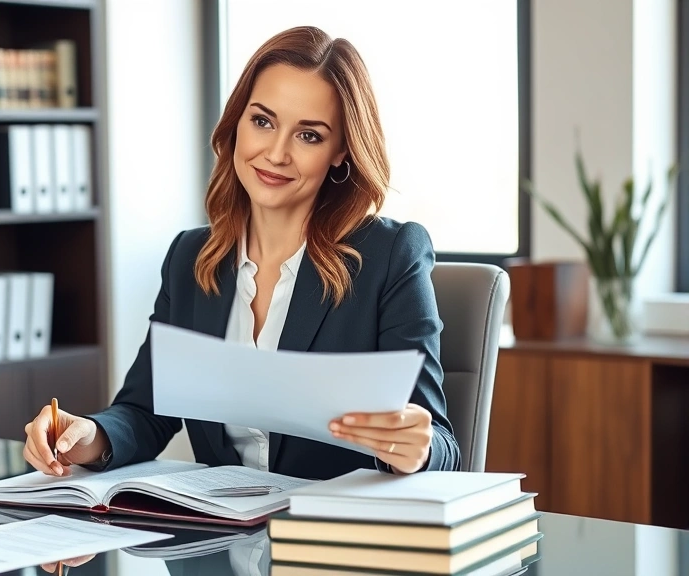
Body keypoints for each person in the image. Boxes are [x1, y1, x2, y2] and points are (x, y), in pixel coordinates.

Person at [23, 25, 461, 481]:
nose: (275, 153)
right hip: (220, 540)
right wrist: (85, 436)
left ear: (340, 150)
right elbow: (145, 411)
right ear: (237, 123)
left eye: (308, 136)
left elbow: (443, 445)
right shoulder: (192, 258)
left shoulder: (390, 255)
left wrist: (416, 449)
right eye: (263, 121)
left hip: (331, 539)